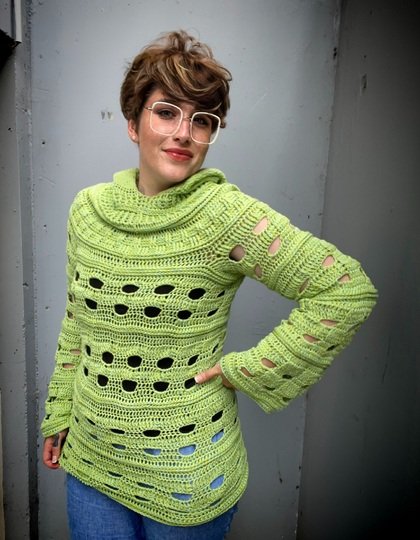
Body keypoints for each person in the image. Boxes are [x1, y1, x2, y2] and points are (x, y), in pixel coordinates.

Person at [42, 30, 377, 540]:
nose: (184, 133)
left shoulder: (225, 216)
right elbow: (77, 321)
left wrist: (250, 369)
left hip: (185, 469)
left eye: (202, 121)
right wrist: (60, 411)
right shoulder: (88, 211)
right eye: (166, 112)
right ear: (132, 123)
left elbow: (345, 289)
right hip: (90, 458)